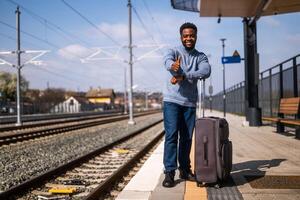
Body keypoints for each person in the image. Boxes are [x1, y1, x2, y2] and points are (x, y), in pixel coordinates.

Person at [162, 22, 211, 187]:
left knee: (187, 138)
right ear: (181, 37)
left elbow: (206, 71)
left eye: (191, 35)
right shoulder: (174, 51)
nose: (188, 38)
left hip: (189, 103)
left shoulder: (200, 56)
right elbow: (167, 60)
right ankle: (169, 172)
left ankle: (184, 169)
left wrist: (184, 75)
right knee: (171, 136)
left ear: (196, 36)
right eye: (185, 36)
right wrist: (173, 66)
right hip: (172, 101)